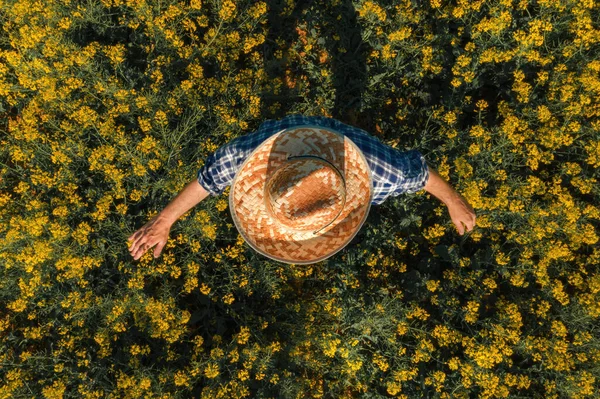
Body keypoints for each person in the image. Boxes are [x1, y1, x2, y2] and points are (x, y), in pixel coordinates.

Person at [128, 114, 476, 263]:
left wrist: (453, 201)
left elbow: (420, 174)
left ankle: (328, 129)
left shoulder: (381, 171)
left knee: (348, 134)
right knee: (281, 126)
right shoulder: (243, 156)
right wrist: (163, 222)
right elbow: (208, 180)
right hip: (281, 140)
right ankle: (301, 130)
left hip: (348, 154)